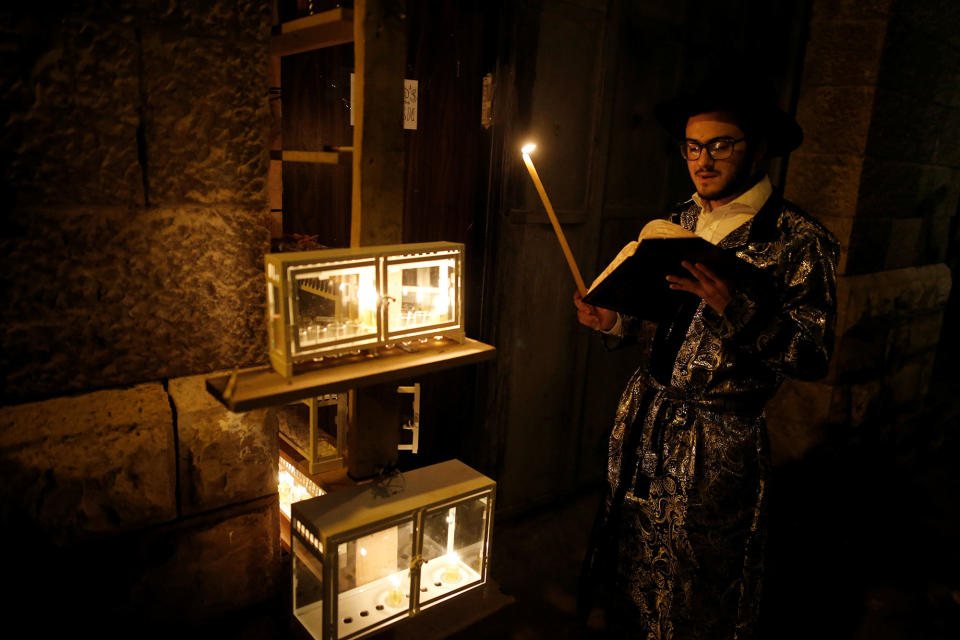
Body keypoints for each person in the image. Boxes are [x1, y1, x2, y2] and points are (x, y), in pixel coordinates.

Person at [574, 74, 839, 639]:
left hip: (719, 439)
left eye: (722, 145)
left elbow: (812, 356)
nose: (704, 160)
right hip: (646, 417)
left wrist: (739, 311)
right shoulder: (681, 221)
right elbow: (661, 318)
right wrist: (616, 320)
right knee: (630, 551)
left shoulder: (797, 240)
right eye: (694, 147)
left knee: (700, 572)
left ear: (759, 148)